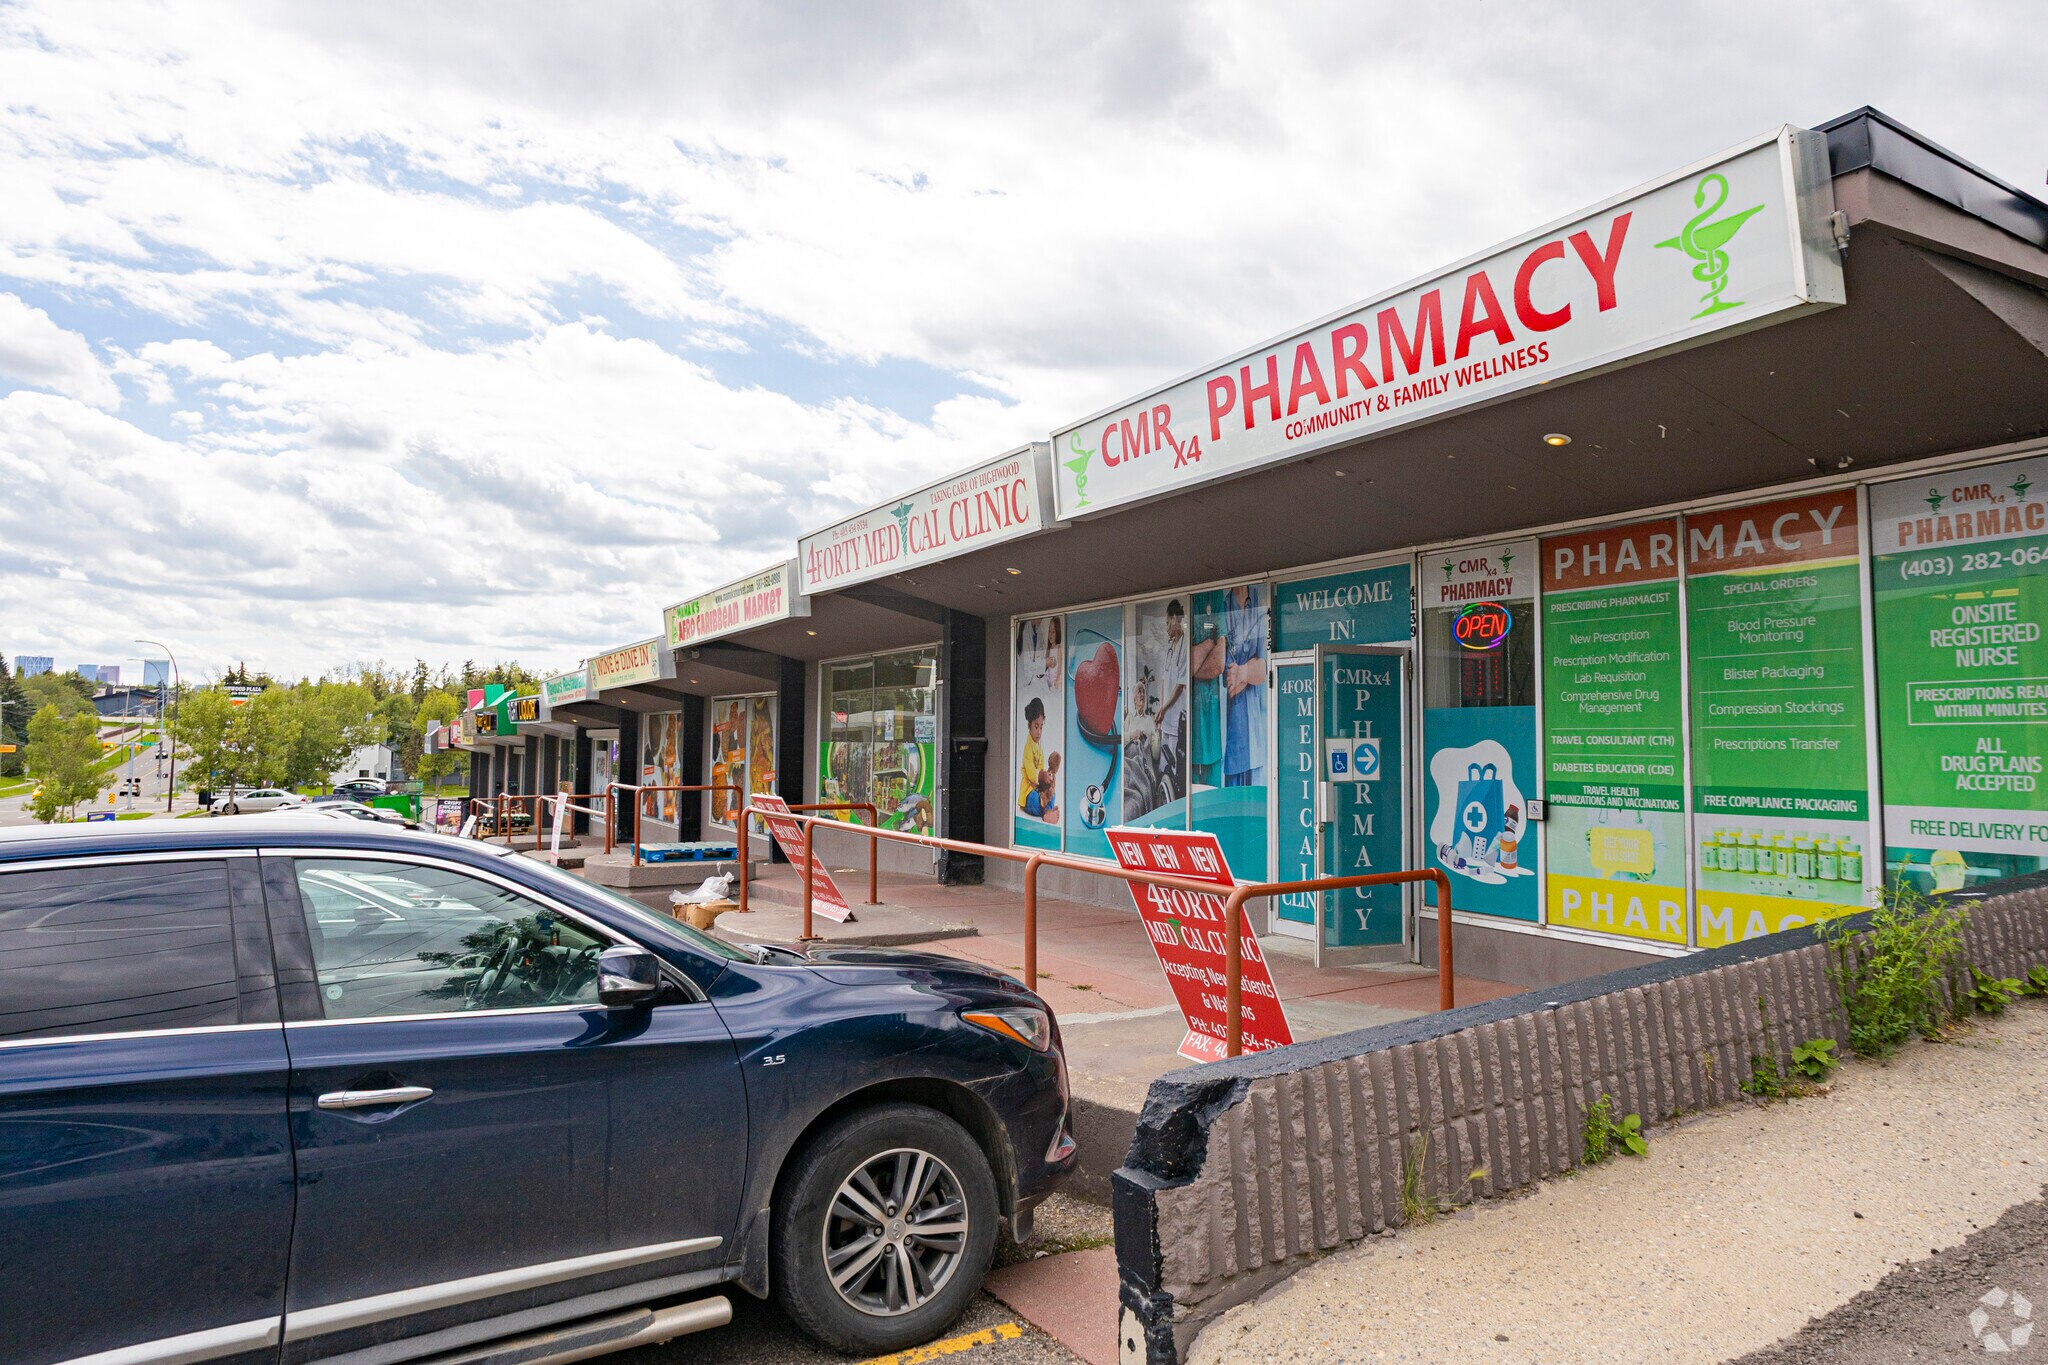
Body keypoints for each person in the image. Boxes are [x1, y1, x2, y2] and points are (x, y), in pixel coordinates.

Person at [1222, 584, 1267, 788]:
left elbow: (1264, 669)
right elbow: (1227, 682)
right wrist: (1249, 671)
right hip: (1233, 733)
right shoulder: (1222, 607)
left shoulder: (1259, 603)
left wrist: (1242, 672)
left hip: (1257, 734)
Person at [1016, 697, 1060, 822]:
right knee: (1035, 799)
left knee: (1052, 793)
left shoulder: (1039, 746)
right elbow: (1030, 772)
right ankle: (1047, 813)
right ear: (1029, 726)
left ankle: (1048, 811)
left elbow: (1040, 766)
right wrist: (1041, 775)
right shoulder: (1027, 747)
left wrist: (1047, 777)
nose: (1039, 732)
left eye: (1041, 727)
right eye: (1036, 727)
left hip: (1038, 786)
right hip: (1029, 791)